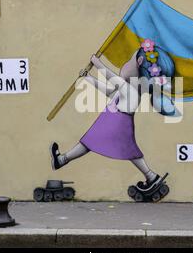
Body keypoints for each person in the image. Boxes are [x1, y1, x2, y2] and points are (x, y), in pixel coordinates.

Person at [50, 39, 177, 191]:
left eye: (130, 60)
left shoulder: (130, 89)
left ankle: (62, 159)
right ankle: (151, 176)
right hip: (114, 122)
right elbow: (109, 91)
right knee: (119, 149)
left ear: (139, 61)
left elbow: (111, 77)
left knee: (99, 145)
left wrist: (96, 62)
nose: (126, 63)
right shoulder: (130, 89)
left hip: (117, 123)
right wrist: (88, 78)